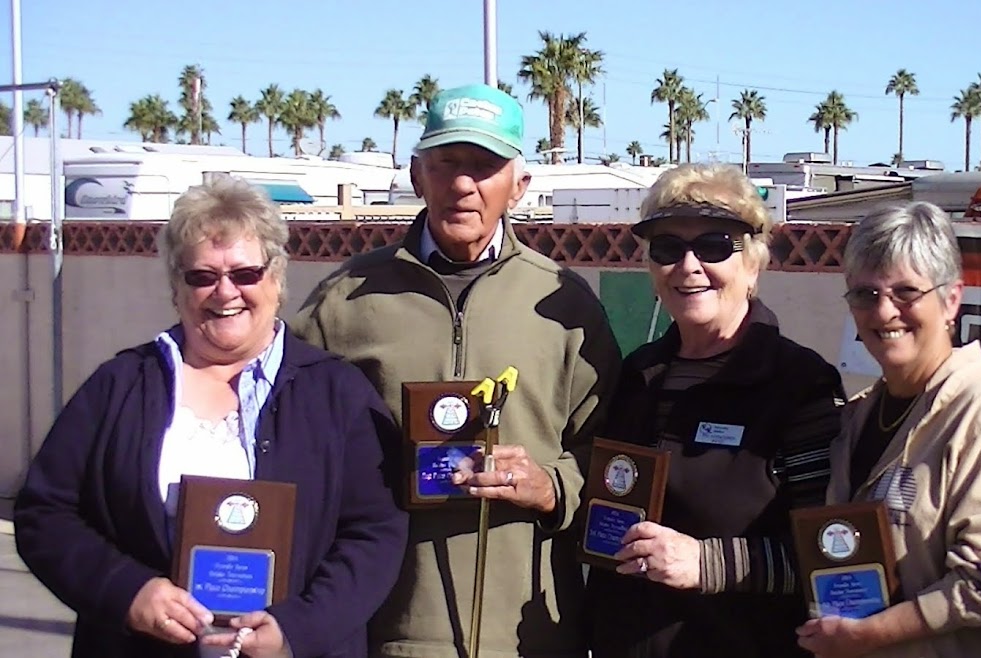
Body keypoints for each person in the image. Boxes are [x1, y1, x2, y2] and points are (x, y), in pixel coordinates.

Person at [290, 83, 621, 658]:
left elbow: (612, 454)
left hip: (529, 635)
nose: (463, 184)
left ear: (519, 186)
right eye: (446, 162)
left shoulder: (565, 305)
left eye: (485, 166)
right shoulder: (344, 301)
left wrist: (552, 486)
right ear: (418, 175)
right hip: (387, 628)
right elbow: (289, 446)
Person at [14, 176, 409, 658]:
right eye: (203, 276)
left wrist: (296, 630)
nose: (226, 293)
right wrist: (128, 592)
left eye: (245, 274)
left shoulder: (337, 395)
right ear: (176, 286)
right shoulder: (120, 386)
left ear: (277, 278)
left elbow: (376, 533)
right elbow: (45, 515)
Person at [585, 163, 846, 658]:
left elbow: (832, 554)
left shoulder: (799, 386)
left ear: (752, 263)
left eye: (713, 246)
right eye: (667, 248)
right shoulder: (638, 374)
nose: (688, 266)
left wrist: (707, 563)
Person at [796, 201, 981, 658]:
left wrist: (866, 636)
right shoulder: (860, 416)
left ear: (951, 300)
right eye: (865, 295)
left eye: (906, 292)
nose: (885, 312)